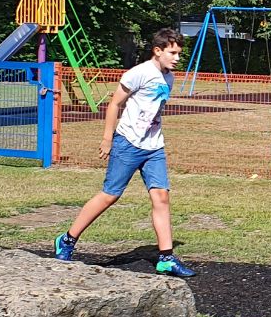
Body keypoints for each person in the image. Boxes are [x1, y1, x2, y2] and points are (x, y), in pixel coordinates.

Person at [54, 27, 195, 277]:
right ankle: (67, 240)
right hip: (127, 143)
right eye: (172, 53)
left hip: (153, 146)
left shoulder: (169, 78)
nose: (176, 58)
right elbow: (115, 104)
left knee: (161, 197)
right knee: (110, 195)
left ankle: (166, 258)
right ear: (158, 51)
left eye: (179, 53)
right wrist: (108, 139)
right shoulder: (139, 73)